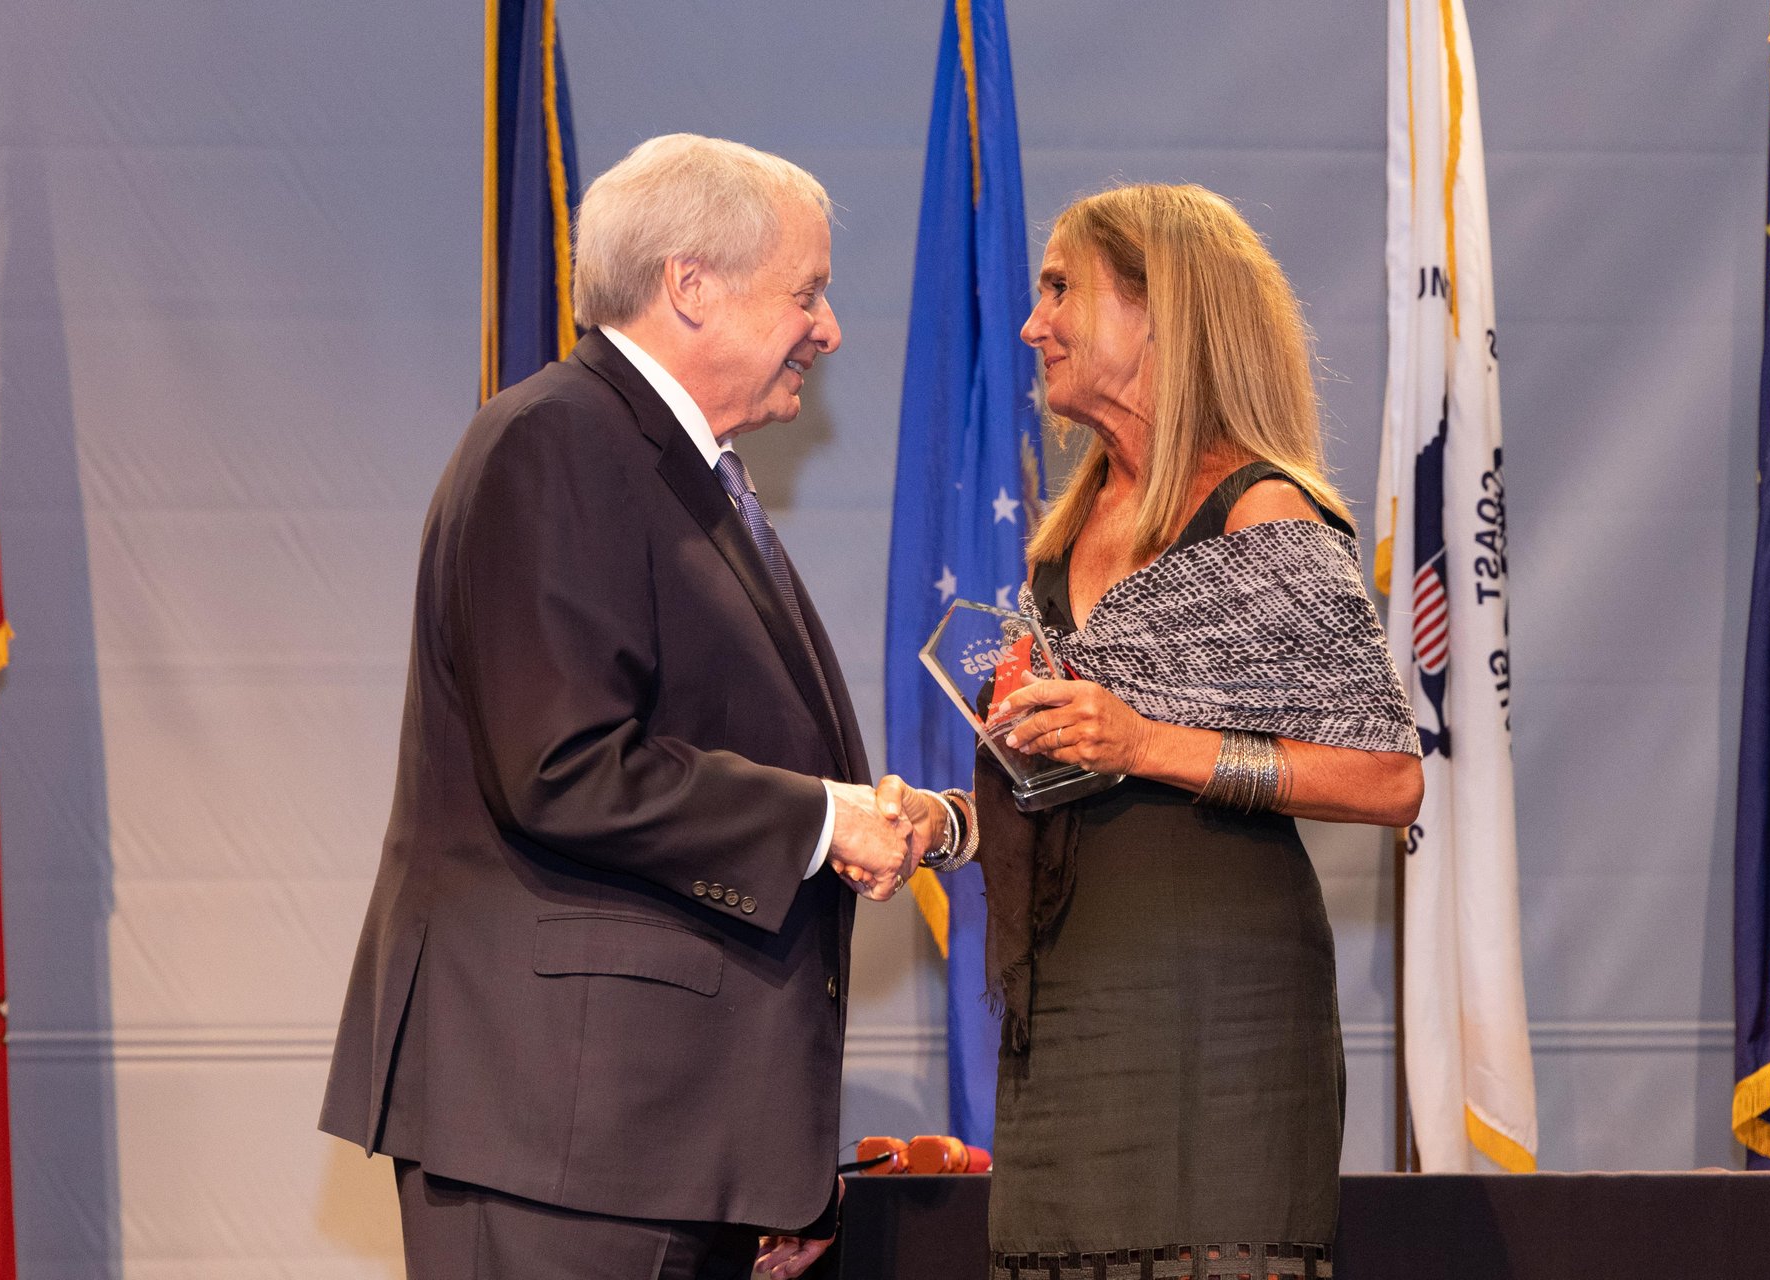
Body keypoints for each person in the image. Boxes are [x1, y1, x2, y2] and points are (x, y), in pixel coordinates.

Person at [318, 134, 920, 1280]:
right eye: (807, 291)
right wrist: (820, 819)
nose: (830, 328)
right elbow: (565, 766)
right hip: (559, 1129)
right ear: (690, 286)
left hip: (653, 1140)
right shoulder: (556, 442)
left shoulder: (684, 474)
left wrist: (766, 1161)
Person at [893, 184, 1423, 1280]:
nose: (1034, 324)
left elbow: (1384, 776)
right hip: (1069, 1003)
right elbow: (1054, 786)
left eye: (1058, 291)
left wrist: (1146, 740)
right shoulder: (1063, 535)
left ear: (1158, 314)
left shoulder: (1263, 512)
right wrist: (940, 827)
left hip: (1223, 1016)